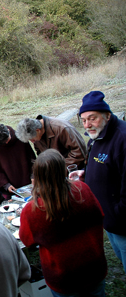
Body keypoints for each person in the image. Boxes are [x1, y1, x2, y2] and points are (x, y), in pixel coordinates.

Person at [20, 149, 107, 296]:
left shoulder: (33, 210)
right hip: (93, 269)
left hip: (64, 278)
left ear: (39, 176)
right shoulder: (82, 190)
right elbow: (100, 215)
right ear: (63, 170)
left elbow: (27, 241)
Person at [70, 90, 126, 274]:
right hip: (107, 216)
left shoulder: (122, 139)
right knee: (119, 255)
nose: (87, 125)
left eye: (92, 118)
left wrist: (117, 214)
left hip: (121, 221)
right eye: (84, 120)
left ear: (107, 116)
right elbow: (103, 165)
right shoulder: (96, 137)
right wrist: (86, 174)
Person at [16, 114, 87, 170]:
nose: (32, 141)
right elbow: (41, 154)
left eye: (32, 139)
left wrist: (60, 169)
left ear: (38, 130)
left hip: (75, 171)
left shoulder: (62, 128)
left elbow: (79, 152)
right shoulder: (36, 135)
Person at [0, 124, 35, 194]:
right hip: (13, 188)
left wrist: (33, 175)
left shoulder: (20, 138)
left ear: (8, 131)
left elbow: (32, 159)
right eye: (3, 143)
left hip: (29, 181)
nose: (6, 142)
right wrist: (6, 185)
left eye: (7, 139)